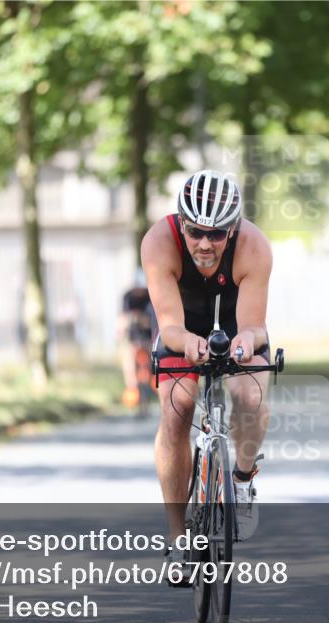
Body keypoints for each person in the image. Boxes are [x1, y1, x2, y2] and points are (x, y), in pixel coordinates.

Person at [140, 169, 273, 579]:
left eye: (216, 234)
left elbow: (253, 326)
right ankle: (178, 540)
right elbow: (170, 327)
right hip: (182, 323)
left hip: (237, 322)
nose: (204, 243)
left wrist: (246, 341)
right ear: (181, 223)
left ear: (232, 230)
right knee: (177, 409)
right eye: (195, 231)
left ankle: (242, 480)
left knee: (251, 397)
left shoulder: (254, 246)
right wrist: (187, 342)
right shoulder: (158, 243)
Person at [117, 271, 155, 411]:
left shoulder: (151, 295)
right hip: (132, 336)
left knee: (153, 360)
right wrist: (120, 330)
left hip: (148, 336)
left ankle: (153, 381)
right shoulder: (128, 296)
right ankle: (131, 385)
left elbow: (153, 319)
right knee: (128, 359)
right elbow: (122, 317)